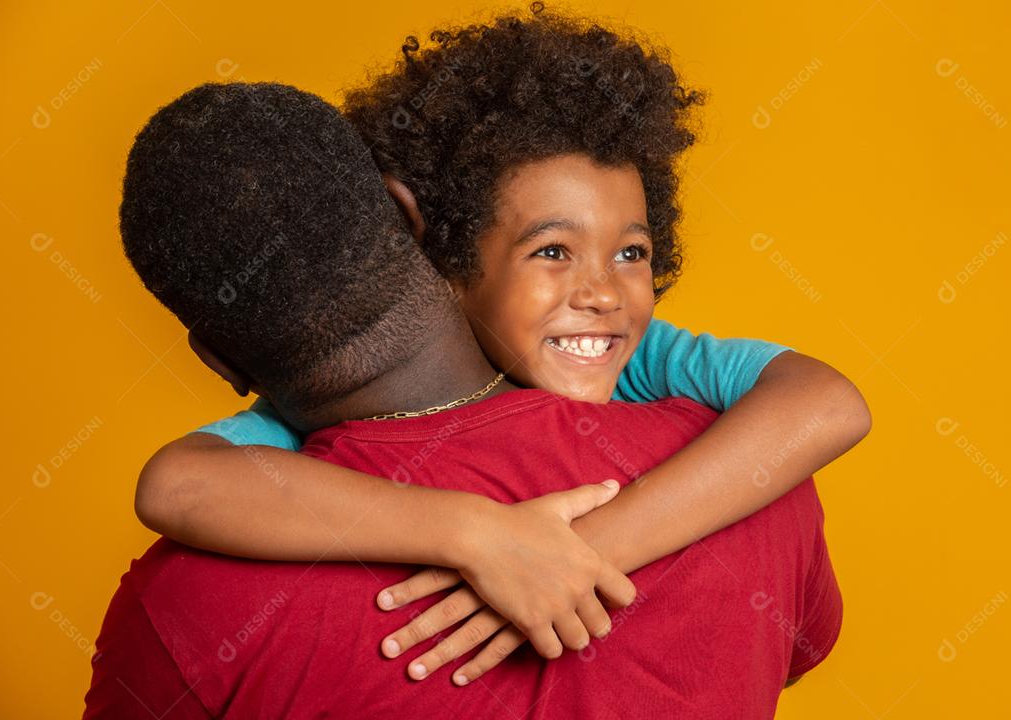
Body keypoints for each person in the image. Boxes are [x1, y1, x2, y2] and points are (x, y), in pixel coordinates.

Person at [128, 8, 869, 686]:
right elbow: (176, 487)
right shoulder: (295, 430)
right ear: (440, 253)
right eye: (551, 252)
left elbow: (830, 403)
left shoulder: (637, 353)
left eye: (634, 253)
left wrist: (589, 554)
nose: (603, 293)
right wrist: (479, 534)